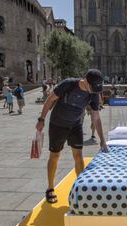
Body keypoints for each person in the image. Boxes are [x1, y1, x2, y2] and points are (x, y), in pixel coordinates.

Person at [35, 69, 108, 204]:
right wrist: (41, 119)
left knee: (78, 156)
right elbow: (50, 100)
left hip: (75, 125)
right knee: (55, 156)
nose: (94, 91)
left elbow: (96, 118)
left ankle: (80, 188)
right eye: (93, 87)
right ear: (85, 80)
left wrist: (102, 140)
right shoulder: (68, 84)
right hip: (58, 124)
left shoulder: (93, 93)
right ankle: (50, 188)